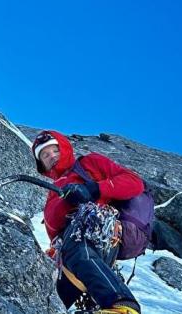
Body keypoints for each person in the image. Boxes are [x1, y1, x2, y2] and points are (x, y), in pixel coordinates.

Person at [32, 130, 144, 314]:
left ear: (65, 149)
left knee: (79, 244)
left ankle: (123, 306)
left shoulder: (90, 163)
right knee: (50, 290)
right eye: (45, 155)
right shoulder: (54, 189)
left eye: (55, 150)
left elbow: (134, 183)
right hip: (70, 251)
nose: (51, 156)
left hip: (99, 229)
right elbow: (54, 229)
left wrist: (94, 189)